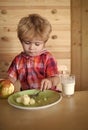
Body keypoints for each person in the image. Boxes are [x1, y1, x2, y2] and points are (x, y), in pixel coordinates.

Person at [7, 13, 60, 91]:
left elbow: (56, 78)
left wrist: (50, 81)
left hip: (48, 95)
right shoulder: (18, 60)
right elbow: (11, 78)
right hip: (27, 97)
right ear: (21, 41)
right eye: (27, 43)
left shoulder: (47, 58)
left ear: (44, 43)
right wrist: (6, 83)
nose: (32, 48)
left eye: (37, 44)